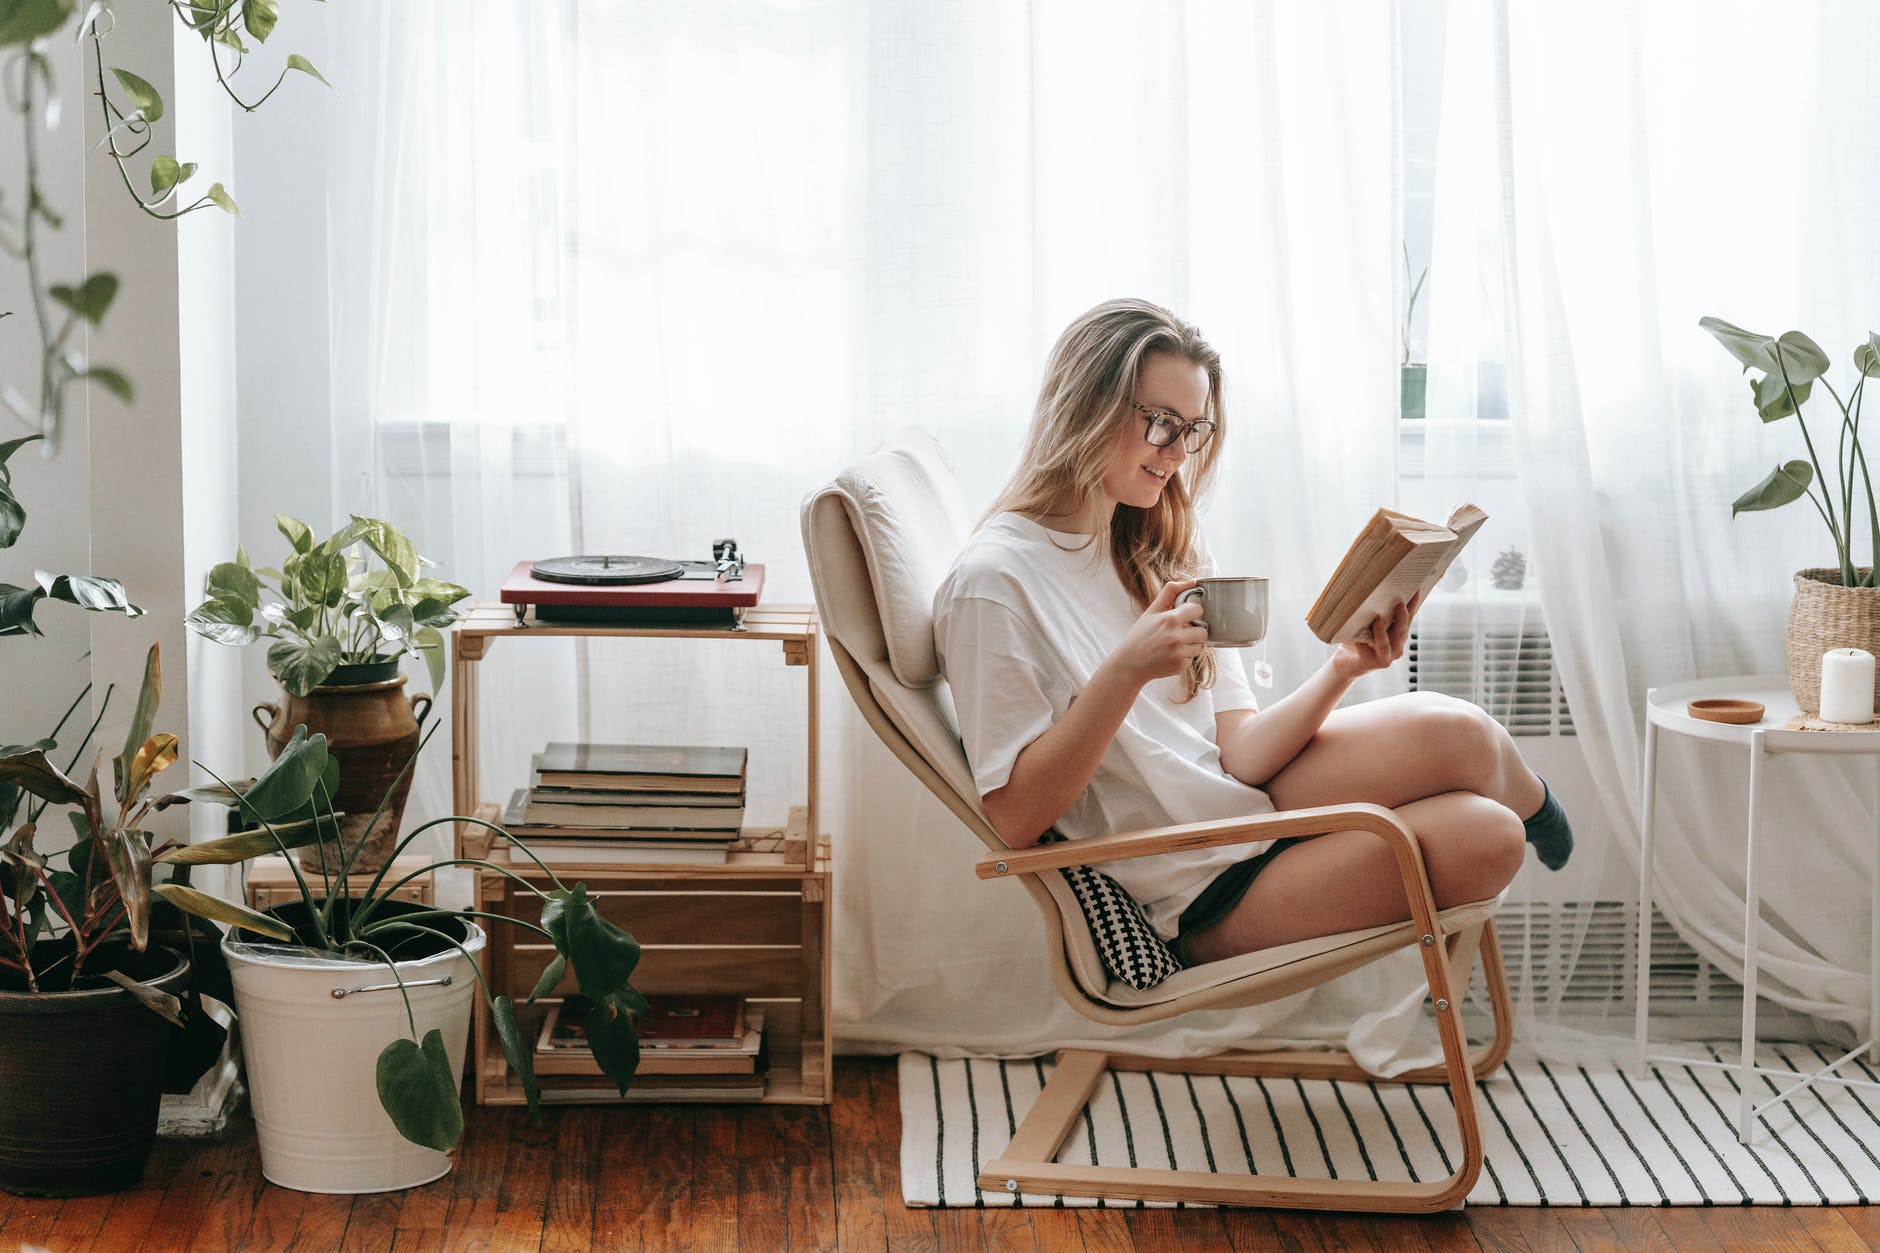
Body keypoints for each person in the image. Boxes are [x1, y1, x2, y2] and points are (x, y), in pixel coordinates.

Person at [932, 297, 1571, 968]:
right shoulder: (994, 583)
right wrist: (1125, 672)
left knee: (1464, 734)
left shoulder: (1155, 539)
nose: (1178, 453)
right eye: (1161, 424)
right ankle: (1524, 815)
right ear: (1086, 406)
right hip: (1197, 888)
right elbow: (1011, 819)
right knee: (1491, 839)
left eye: (1194, 430)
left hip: (1245, 805)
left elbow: (1237, 749)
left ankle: (1540, 807)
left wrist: (1343, 668)